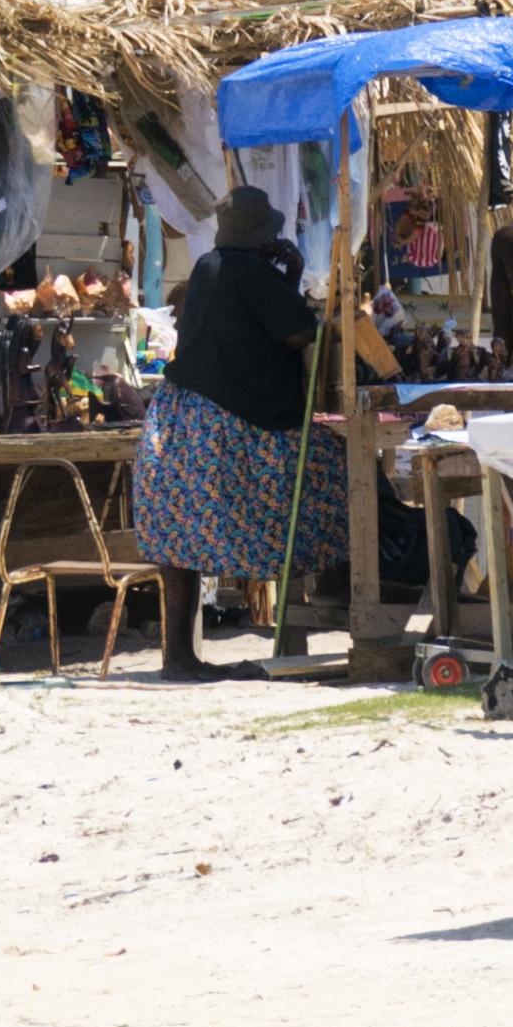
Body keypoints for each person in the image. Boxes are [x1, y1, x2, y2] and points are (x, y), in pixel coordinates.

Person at [136, 186, 351, 679]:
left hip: (179, 419)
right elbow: (299, 332)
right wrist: (293, 274)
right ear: (266, 236)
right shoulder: (252, 271)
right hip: (226, 423)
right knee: (332, 474)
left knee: (178, 539)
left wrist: (289, 277)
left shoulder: (211, 266)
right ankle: (337, 584)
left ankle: (178, 657)